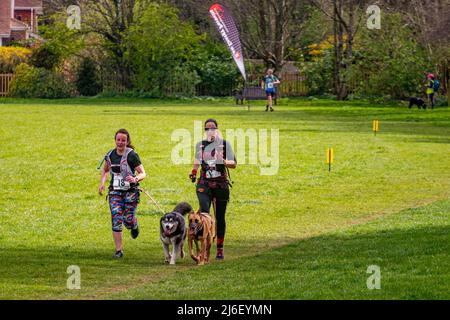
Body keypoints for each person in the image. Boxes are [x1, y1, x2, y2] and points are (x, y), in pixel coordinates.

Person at [189, 119, 237, 260]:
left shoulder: (224, 144)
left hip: (221, 185)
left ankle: (220, 248)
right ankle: (203, 246)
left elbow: (234, 164)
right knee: (204, 214)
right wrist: (193, 171)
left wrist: (224, 162)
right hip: (204, 184)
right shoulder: (201, 145)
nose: (210, 131)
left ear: (217, 129)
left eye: (212, 128)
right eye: (207, 128)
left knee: (219, 217)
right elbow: (197, 160)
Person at [99, 129, 146, 258]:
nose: (120, 142)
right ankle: (119, 250)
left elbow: (143, 173)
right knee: (116, 217)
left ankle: (133, 225)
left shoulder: (132, 155)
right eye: (118, 140)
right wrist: (102, 183)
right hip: (115, 192)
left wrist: (135, 178)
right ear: (115, 140)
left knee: (128, 219)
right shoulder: (110, 155)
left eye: (123, 140)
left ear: (127, 141)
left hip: (130, 192)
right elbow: (105, 170)